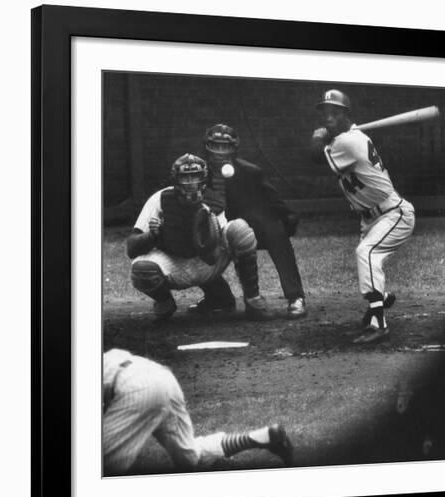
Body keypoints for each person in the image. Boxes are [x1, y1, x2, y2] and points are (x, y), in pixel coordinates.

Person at [310, 89, 415, 344]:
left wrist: (317, 137)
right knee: (368, 258)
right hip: (371, 218)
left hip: (393, 214)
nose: (328, 119)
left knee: (366, 253)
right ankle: (380, 300)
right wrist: (326, 136)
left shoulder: (347, 142)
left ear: (346, 115)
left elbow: (314, 157)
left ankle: (379, 323)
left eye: (334, 113)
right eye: (325, 114)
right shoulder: (348, 138)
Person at [126, 153, 273, 321]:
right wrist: (152, 235)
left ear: (203, 179)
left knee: (240, 229)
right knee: (142, 270)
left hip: (206, 262)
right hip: (173, 262)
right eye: (185, 178)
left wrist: (206, 236)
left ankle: (252, 299)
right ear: (175, 180)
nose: (190, 184)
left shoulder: (214, 202)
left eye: (195, 177)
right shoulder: (159, 199)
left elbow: (212, 257)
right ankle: (165, 301)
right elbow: (131, 248)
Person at [103, 348, 294, 474]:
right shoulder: (107, 356)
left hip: (134, 387)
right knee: (190, 459)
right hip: (163, 377)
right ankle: (261, 436)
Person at [188, 123, 307, 319]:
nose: (219, 152)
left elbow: (274, 202)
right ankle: (218, 298)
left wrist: (287, 221)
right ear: (206, 147)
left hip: (247, 230)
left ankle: (295, 297)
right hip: (214, 231)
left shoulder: (250, 172)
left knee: (275, 231)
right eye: (215, 146)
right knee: (190, 236)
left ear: (233, 148)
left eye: (224, 146)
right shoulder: (196, 173)